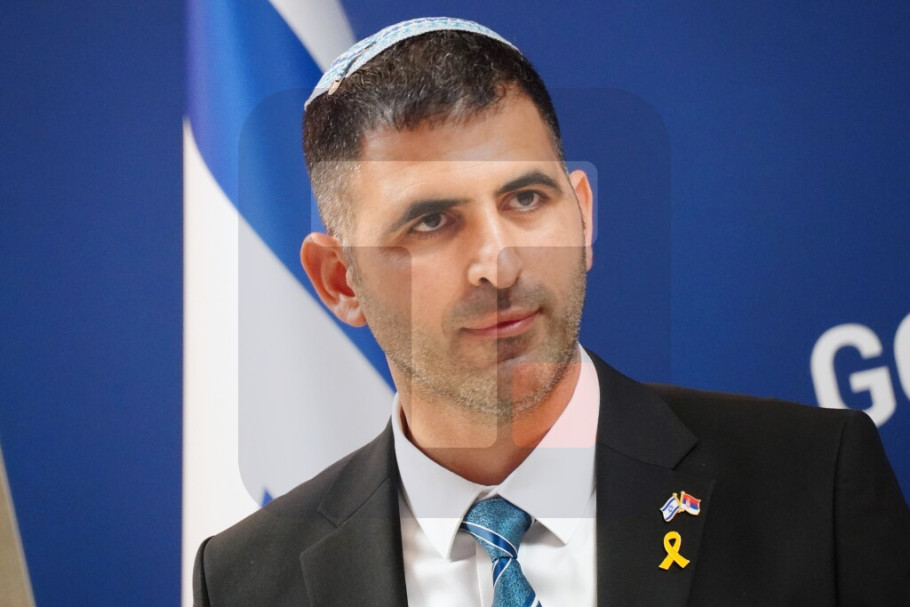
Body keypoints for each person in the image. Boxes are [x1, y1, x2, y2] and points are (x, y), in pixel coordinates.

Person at [193, 17, 910, 606]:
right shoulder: (244, 583)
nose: (499, 262)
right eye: (432, 221)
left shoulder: (814, 486)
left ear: (583, 215)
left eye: (526, 199)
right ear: (340, 280)